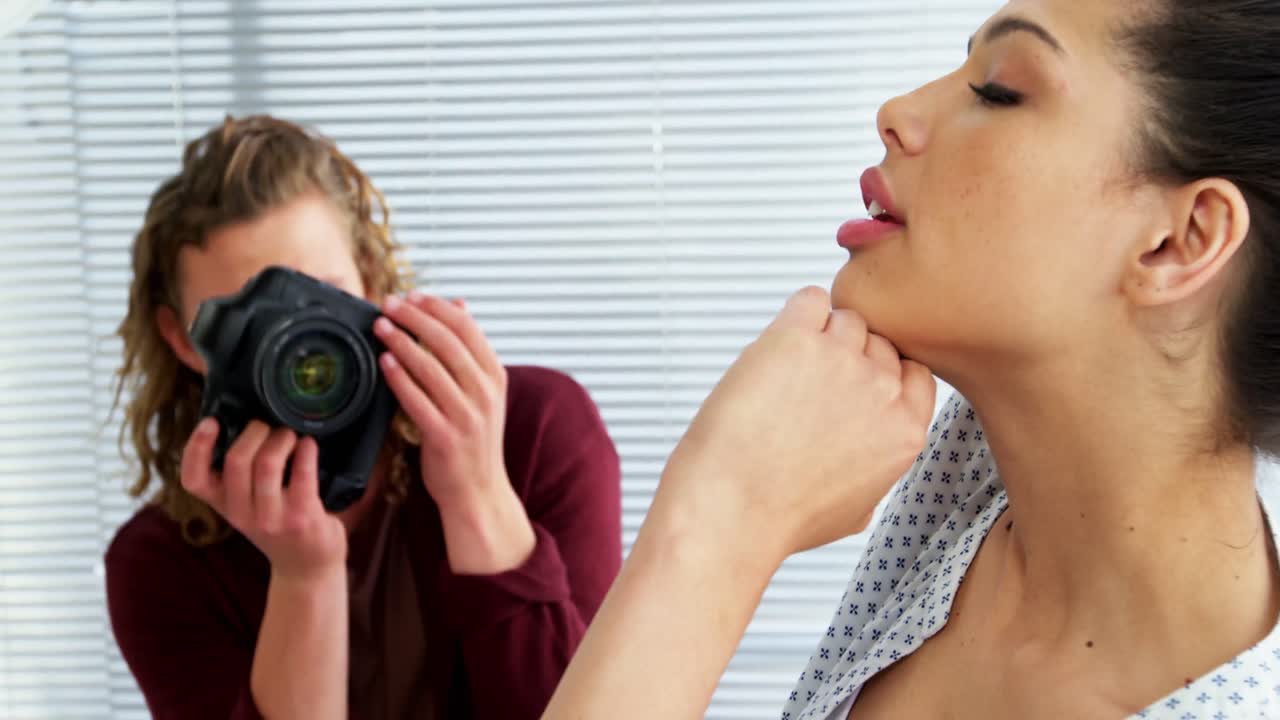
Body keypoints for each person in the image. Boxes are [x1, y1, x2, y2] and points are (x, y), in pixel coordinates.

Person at [543, 1, 1280, 718]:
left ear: (1178, 242)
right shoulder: (981, 464)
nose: (895, 110)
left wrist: (720, 524)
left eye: (1000, 91)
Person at [103, 114, 622, 720]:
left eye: (318, 297)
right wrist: (303, 577)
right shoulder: (161, 565)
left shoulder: (531, 433)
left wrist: (477, 492)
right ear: (185, 340)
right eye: (248, 319)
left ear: (370, 282)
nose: (295, 349)